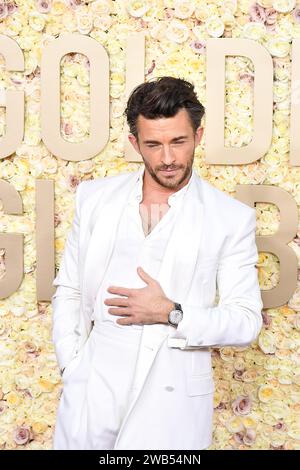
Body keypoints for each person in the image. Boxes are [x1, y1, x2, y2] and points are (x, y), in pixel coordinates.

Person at [51, 76, 263, 450]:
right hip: (92, 396)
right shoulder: (95, 199)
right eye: (153, 144)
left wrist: (172, 312)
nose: (167, 158)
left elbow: (246, 321)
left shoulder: (230, 218)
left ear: (198, 136)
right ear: (135, 143)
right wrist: (73, 368)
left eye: (178, 142)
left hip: (171, 403)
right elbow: (69, 289)